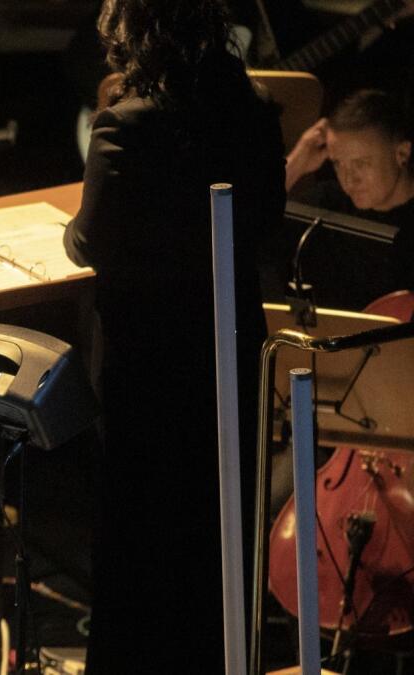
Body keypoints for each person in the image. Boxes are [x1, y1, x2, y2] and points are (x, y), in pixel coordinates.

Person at [63, 1, 286, 672]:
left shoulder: (126, 121)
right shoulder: (253, 105)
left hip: (149, 360)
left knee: (142, 541)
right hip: (230, 348)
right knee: (218, 535)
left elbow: (89, 241)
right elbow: (267, 226)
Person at [280, 88, 414, 310]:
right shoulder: (326, 204)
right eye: (337, 163)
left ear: (401, 154)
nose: (348, 179)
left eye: (361, 163)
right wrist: (296, 162)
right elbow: (233, 229)